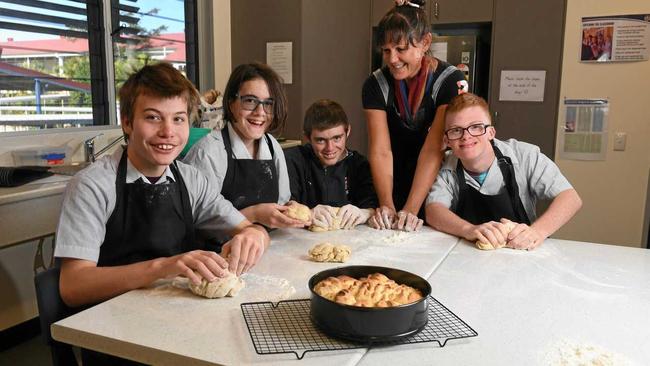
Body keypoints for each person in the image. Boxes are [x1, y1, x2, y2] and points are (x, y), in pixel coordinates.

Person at [54, 63, 269, 305]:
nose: (168, 131)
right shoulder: (92, 186)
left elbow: (249, 229)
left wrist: (254, 236)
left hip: (174, 310)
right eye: (153, 117)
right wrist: (162, 267)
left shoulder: (191, 180)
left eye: (178, 119)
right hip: (111, 322)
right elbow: (73, 286)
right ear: (127, 122)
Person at [425, 93, 582, 250]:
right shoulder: (446, 165)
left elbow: (570, 198)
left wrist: (537, 232)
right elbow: (433, 210)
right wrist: (469, 229)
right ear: (447, 140)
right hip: (469, 253)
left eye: (476, 127)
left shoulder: (525, 156)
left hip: (521, 252)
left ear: (491, 133)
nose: (466, 136)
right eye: (456, 130)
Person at [362, 0, 468, 231]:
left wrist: (411, 208)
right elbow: (381, 150)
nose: (392, 59)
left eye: (401, 49)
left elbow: (433, 148)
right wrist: (387, 204)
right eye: (386, 50)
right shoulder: (375, 85)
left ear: (425, 42)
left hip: (438, 183)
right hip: (390, 178)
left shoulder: (449, 81)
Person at [184, 62, 305, 241]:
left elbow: (281, 202)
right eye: (250, 101)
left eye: (268, 104)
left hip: (266, 249)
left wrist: (289, 210)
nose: (260, 112)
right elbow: (198, 225)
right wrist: (254, 214)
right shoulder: (208, 151)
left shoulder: (272, 146)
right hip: (220, 257)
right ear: (231, 103)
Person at [284, 99, 378, 229]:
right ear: (307, 137)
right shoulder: (293, 160)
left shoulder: (359, 164)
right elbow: (284, 207)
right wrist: (309, 213)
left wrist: (364, 213)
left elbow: (374, 207)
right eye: (321, 140)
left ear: (348, 131)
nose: (330, 148)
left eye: (337, 138)